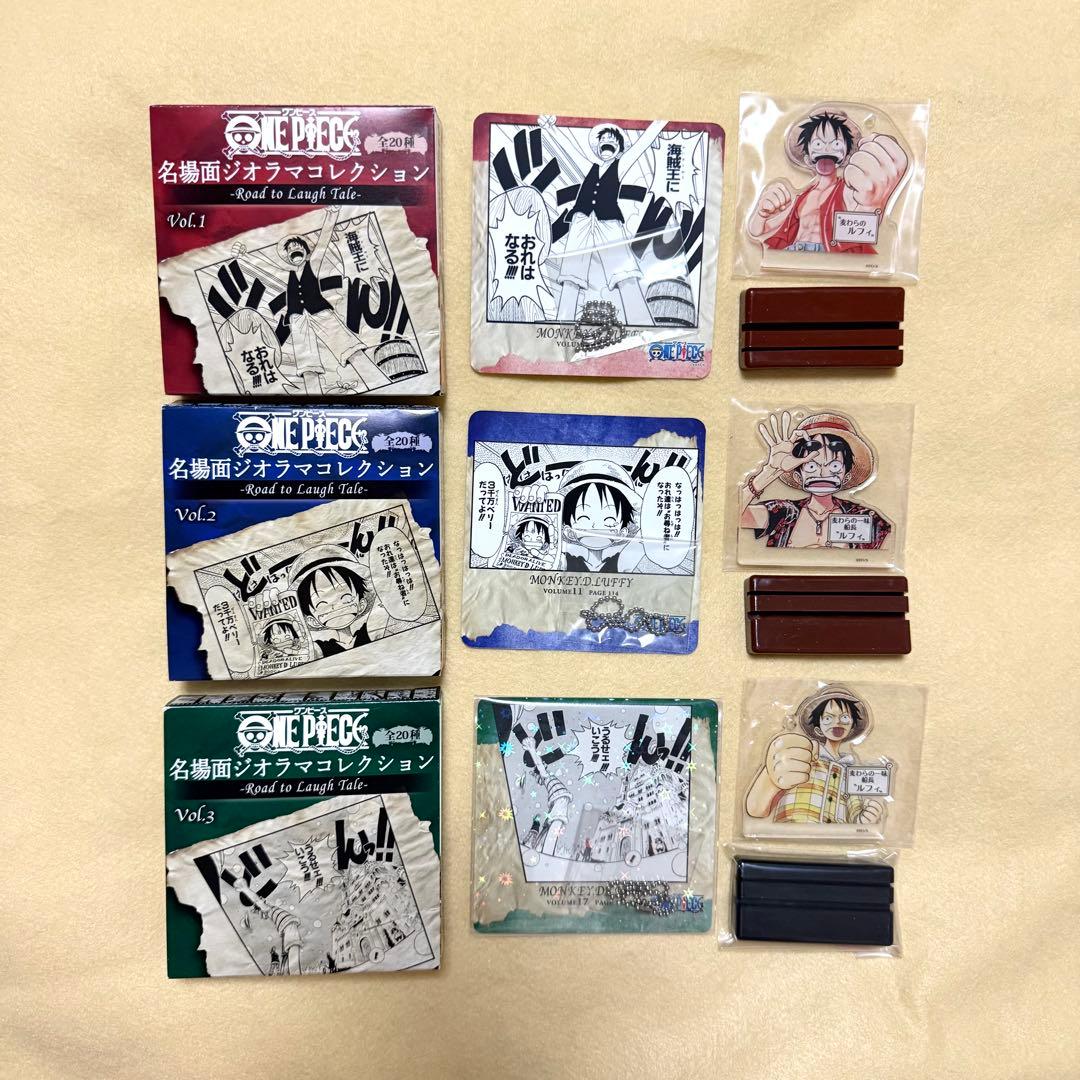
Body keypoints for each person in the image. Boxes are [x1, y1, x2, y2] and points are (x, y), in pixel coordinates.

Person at [538, 115, 666, 324]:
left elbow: (643, 144)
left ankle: (641, 321)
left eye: (613, 140)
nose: (607, 142)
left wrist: (661, 121)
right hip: (581, 221)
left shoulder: (620, 166)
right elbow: (569, 150)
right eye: (604, 139)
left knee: (624, 271)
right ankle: (564, 321)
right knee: (571, 273)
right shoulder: (589, 167)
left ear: (619, 149)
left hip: (609, 222)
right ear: (597, 147)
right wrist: (550, 128)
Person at [748, 109, 908, 254]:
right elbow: (758, 231)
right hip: (795, 255)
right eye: (818, 144)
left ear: (846, 157)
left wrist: (875, 200)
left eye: (836, 143)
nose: (826, 148)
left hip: (831, 259)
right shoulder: (799, 198)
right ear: (807, 158)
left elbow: (865, 215)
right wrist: (762, 214)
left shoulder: (847, 191)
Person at [740, 410, 891, 549]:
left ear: (846, 477)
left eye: (834, 466)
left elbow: (890, 555)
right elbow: (732, 516)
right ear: (798, 476)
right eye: (811, 466)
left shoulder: (864, 517)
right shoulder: (783, 512)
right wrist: (770, 472)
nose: (823, 473)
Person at [744, 686, 884, 826]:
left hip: (835, 835)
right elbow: (756, 807)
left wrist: (866, 817)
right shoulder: (805, 754)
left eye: (845, 717)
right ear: (818, 728)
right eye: (828, 718)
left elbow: (854, 812)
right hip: (793, 827)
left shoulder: (850, 769)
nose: (837, 722)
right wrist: (771, 777)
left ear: (852, 726)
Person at [288, 546, 385, 658]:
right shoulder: (321, 648)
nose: (334, 606)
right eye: (321, 605)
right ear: (313, 621)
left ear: (361, 604)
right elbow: (306, 652)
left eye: (346, 597)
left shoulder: (370, 631)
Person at [558, 460, 645, 572]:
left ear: (622, 533)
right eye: (584, 518)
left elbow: (645, 533)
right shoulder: (566, 561)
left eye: (609, 520)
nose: (595, 525)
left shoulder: (620, 563)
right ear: (569, 532)